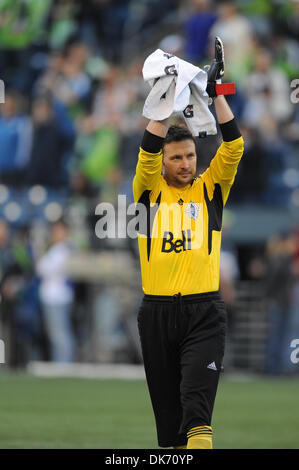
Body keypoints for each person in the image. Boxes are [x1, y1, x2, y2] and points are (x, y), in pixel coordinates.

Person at [133, 38, 244, 449]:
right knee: (169, 432)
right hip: (156, 315)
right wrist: (166, 92)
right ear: (164, 162)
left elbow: (233, 147)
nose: (186, 164)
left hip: (204, 314)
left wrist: (218, 92)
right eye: (176, 158)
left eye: (190, 157)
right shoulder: (146, 190)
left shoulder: (210, 189)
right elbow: (146, 152)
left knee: (197, 416)